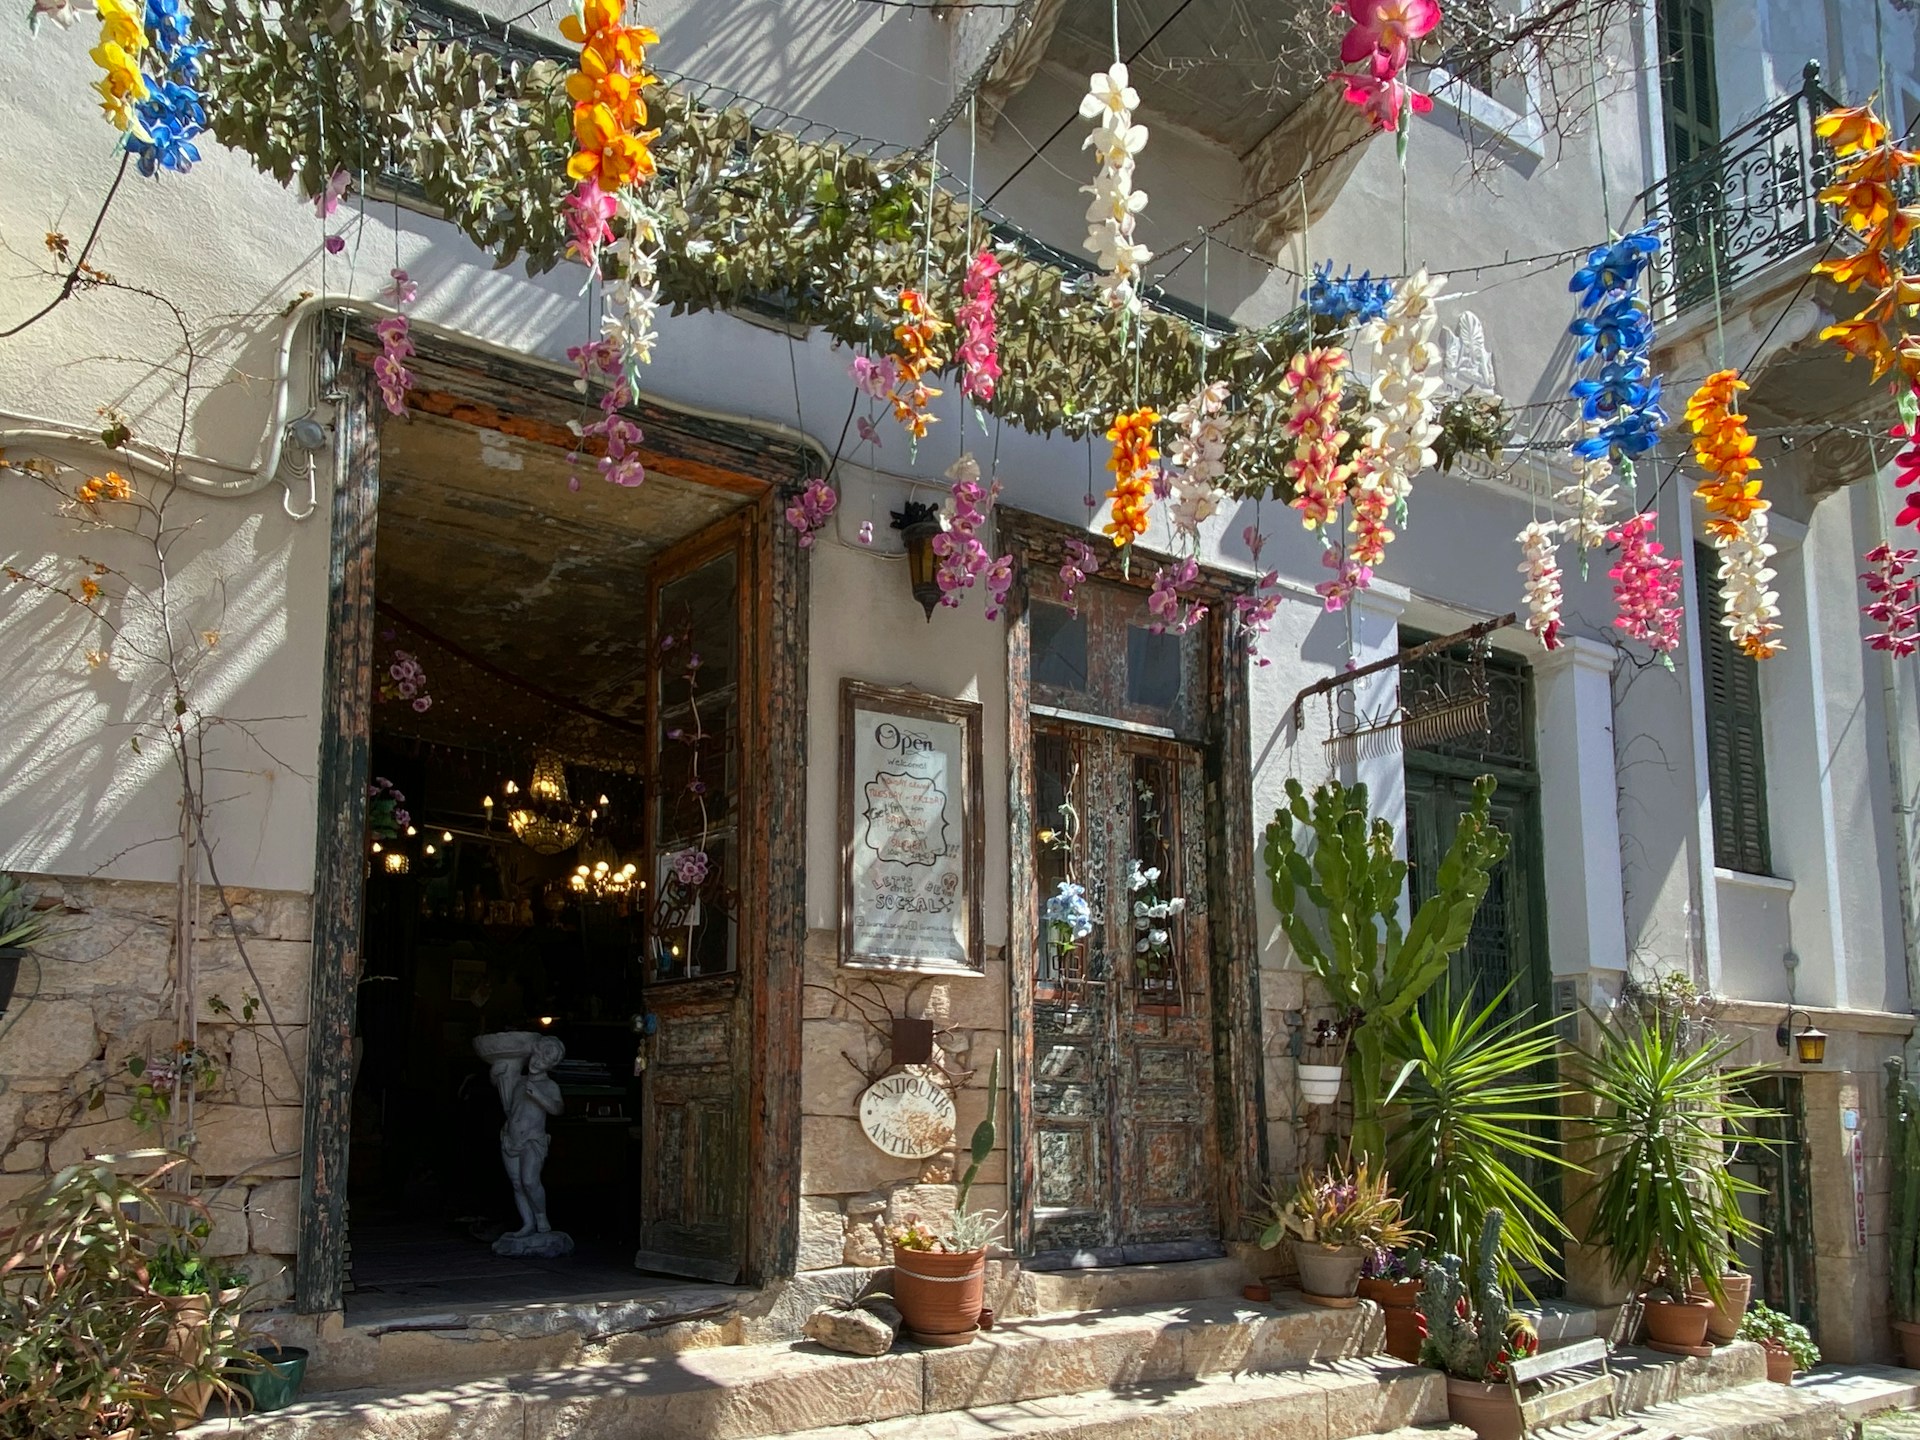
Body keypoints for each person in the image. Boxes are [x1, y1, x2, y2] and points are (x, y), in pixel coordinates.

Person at [490, 1034, 566, 1238]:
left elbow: (558, 1109)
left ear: (550, 1065)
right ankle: (527, 1223)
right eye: (535, 1057)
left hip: (533, 1140)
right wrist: (495, 1074)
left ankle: (542, 1218)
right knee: (517, 1183)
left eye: (543, 1061)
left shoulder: (550, 1086)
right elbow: (506, 1098)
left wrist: (539, 1096)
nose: (536, 1062)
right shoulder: (519, 1082)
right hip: (511, 1138)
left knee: (530, 1180)